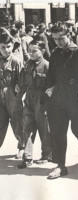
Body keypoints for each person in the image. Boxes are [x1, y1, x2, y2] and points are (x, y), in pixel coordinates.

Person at [45, 25, 78, 179]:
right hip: (58, 97)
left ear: (69, 35)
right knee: (57, 132)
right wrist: (50, 88)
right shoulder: (54, 54)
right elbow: (51, 75)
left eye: (61, 38)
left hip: (76, 97)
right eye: (55, 39)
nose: (58, 42)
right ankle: (60, 165)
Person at [17, 40, 52, 169]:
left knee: (44, 128)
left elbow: (53, 84)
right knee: (27, 127)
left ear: (42, 51)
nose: (31, 53)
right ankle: (27, 157)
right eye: (29, 50)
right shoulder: (27, 65)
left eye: (34, 51)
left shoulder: (47, 66)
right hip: (29, 97)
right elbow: (22, 81)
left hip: (42, 98)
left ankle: (47, 154)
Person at [0, 27, 24, 158]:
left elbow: (22, 80)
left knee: (17, 121)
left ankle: (22, 147)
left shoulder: (16, 61)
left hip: (12, 95)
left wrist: (18, 88)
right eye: (3, 47)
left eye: (8, 46)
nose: (6, 50)